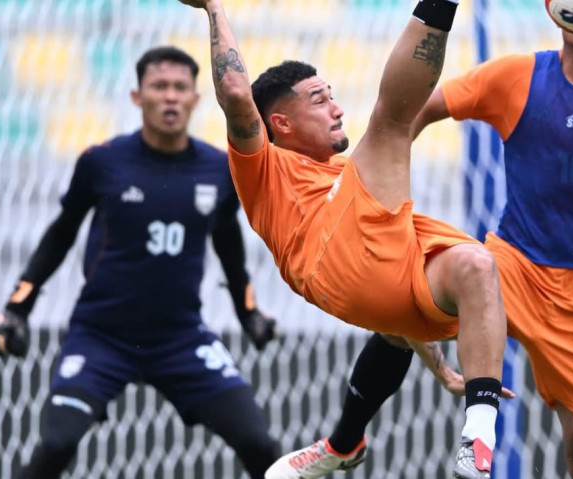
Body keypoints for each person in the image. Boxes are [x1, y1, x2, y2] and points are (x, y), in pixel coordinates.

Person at [268, 1, 573, 478]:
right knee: (402, 310)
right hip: (514, 265)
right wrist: (386, 190)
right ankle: (344, 442)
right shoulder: (517, 77)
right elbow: (421, 107)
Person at [177, 0, 510, 478]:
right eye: (318, 99)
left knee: (477, 265)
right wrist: (213, 7)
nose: (336, 109)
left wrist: (440, 367)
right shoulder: (263, 166)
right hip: (326, 261)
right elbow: (234, 91)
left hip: (379, 282)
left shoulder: (347, 178)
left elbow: (394, 300)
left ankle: (470, 436)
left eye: (331, 95)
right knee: (393, 123)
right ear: (282, 125)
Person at [0, 46, 281, 479]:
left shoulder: (219, 169)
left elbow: (228, 243)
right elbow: (61, 234)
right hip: (101, 337)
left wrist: (248, 311)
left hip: (181, 339)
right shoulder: (102, 162)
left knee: (260, 444)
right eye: (159, 87)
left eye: (181, 88)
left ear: (197, 100)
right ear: (136, 97)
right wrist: (17, 307)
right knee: (57, 444)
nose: (171, 97)